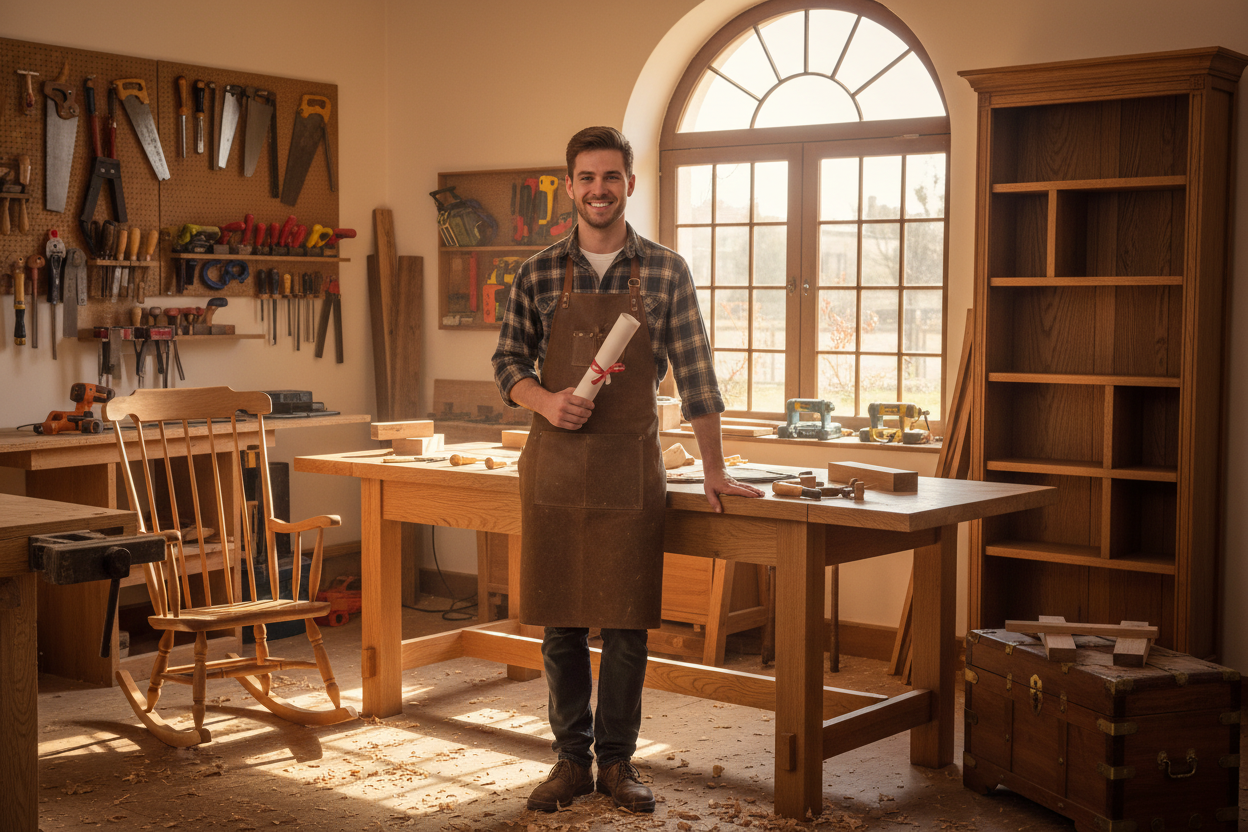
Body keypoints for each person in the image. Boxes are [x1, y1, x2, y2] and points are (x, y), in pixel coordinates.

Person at [492, 126, 763, 813]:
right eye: (586, 177)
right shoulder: (538, 272)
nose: (599, 189)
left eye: (611, 177)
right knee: (560, 622)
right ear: (569, 186)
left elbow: (697, 375)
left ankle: (616, 764)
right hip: (555, 467)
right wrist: (546, 400)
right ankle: (569, 762)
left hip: (628, 468)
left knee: (626, 622)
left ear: (630, 184)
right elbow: (507, 364)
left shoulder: (666, 272)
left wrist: (714, 467)